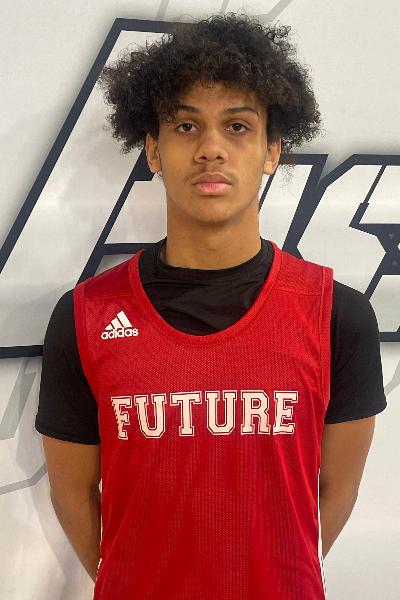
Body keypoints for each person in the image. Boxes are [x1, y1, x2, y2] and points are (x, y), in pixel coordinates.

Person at [35, 13, 386, 600]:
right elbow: (71, 492)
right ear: (153, 149)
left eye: (238, 126)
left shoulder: (337, 317)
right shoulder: (85, 317)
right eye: (186, 126)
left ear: (272, 150)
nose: (211, 149)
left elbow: (335, 490)